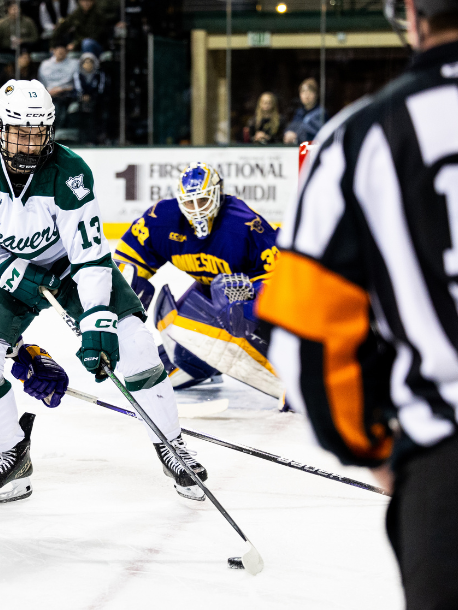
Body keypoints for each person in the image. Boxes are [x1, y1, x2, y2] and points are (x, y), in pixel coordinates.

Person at [257, 0, 458, 606]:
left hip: (445, 467)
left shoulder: (362, 135)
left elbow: (305, 332)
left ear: (415, 15)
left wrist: (373, 446)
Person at [0, 79, 208, 505]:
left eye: (38, 133)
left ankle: (171, 444)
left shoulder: (69, 173)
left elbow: (88, 257)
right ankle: (12, 453)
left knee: (135, 343)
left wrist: (97, 321)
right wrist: (10, 270)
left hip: (70, 267)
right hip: (2, 264)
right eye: (19, 133)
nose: (29, 144)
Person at [112, 162, 282, 398]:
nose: (196, 209)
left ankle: (290, 375)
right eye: (189, 202)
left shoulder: (244, 225)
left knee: (229, 301)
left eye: (202, 200)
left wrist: (249, 303)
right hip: (209, 293)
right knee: (180, 345)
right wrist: (117, 307)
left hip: (249, 296)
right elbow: (128, 261)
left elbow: (285, 278)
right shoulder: (162, 219)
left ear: (218, 194)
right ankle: (200, 365)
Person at [37, 41, 78, 125]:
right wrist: (48, 92)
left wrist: (61, 89)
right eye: (58, 50)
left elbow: (76, 83)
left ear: (67, 52)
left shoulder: (74, 64)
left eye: (63, 50)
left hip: (66, 94)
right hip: (48, 94)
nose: (60, 52)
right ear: (53, 51)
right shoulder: (45, 65)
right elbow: (41, 83)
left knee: (58, 108)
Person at [73, 51, 106, 144]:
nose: (88, 65)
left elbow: (100, 89)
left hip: (96, 101)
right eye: (85, 62)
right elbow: (78, 88)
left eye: (90, 62)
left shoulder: (99, 74)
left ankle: (96, 138)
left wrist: (91, 96)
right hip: (81, 100)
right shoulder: (78, 75)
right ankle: (82, 139)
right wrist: (83, 95)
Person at [283, 78, 324, 145]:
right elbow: (292, 127)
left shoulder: (321, 113)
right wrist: (288, 133)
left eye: (310, 91)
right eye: (303, 91)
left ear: (316, 94)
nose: (306, 95)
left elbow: (314, 133)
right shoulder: (299, 112)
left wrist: (296, 136)